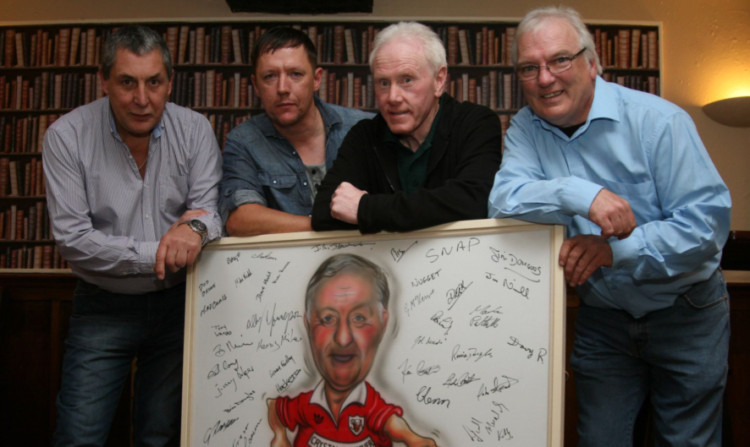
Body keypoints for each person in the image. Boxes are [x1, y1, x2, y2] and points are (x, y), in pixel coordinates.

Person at [487, 6, 732, 446]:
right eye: (529, 67)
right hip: (603, 319)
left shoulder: (661, 122)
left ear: (593, 63)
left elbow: (705, 228)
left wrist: (615, 251)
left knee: (686, 441)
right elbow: (503, 201)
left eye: (560, 59)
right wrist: (580, 193)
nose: (545, 78)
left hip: (687, 312)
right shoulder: (526, 127)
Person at [43, 25, 222, 446]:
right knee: (78, 436)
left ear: (169, 82)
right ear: (104, 80)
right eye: (127, 82)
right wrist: (163, 251)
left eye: (154, 82)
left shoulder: (195, 130)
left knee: (159, 436)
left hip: (179, 306)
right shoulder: (66, 137)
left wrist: (195, 228)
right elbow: (74, 240)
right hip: (102, 305)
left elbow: (211, 214)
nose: (142, 99)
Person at [311, 22, 502, 234]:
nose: (392, 97)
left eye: (407, 80)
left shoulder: (475, 123)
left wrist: (365, 208)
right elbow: (324, 213)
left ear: (439, 81)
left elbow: (473, 202)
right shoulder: (364, 136)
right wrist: (428, 209)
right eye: (383, 83)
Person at [267, 254, 436, 447]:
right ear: (308, 325)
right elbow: (274, 408)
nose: (343, 339)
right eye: (328, 319)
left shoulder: (373, 410)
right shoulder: (305, 406)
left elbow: (418, 441)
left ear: (383, 323)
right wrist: (280, 438)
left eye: (359, 318)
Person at [219, 26, 372, 236]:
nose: (283, 88)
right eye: (270, 76)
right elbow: (240, 220)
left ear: (317, 79)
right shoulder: (244, 141)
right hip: (285, 266)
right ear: (255, 84)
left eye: (295, 74)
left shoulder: (363, 127)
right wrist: (323, 226)